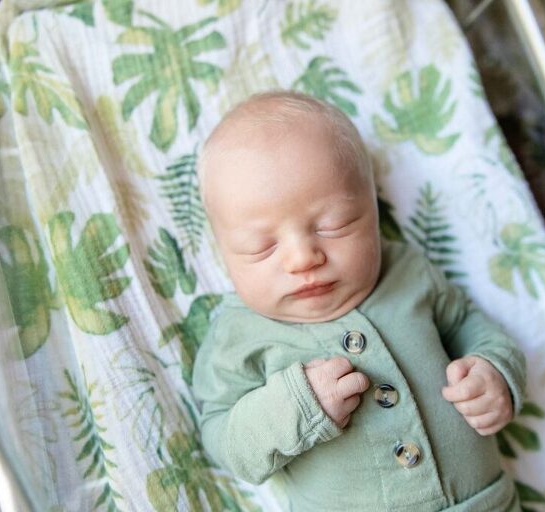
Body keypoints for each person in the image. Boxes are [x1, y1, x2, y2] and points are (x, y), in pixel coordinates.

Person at [192, 90, 526, 511]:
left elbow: (471, 326)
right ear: (223, 252)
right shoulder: (238, 334)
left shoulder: (407, 272)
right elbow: (222, 439)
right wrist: (291, 408)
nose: (302, 258)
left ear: (372, 207)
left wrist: (495, 373)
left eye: (335, 225)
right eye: (261, 247)